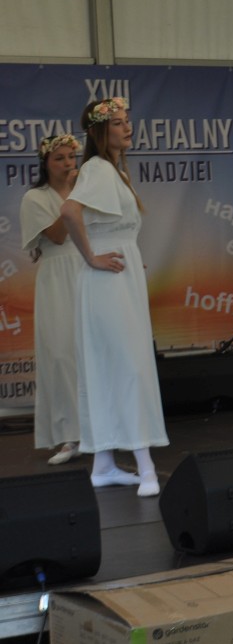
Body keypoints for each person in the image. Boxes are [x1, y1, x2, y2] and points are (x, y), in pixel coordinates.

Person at [60, 97, 168, 497]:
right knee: (128, 365)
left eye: (127, 121)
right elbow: (69, 212)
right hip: (106, 281)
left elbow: (109, 226)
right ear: (100, 130)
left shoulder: (114, 172)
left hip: (118, 277)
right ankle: (145, 465)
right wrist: (92, 256)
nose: (128, 127)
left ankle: (103, 464)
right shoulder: (98, 168)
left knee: (112, 365)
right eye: (119, 122)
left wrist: (127, 256)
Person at [20, 133, 84, 465]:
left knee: (90, 353)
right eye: (59, 158)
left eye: (71, 157)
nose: (67, 163)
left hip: (87, 271)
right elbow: (58, 236)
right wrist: (75, 194)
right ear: (45, 163)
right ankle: (69, 435)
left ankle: (100, 431)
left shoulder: (86, 191)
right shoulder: (35, 197)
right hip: (58, 278)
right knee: (60, 355)